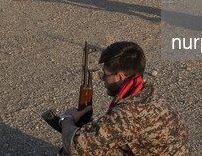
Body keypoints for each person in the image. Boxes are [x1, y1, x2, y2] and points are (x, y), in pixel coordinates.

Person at [59, 41, 188, 155]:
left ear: (120, 77)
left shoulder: (128, 112)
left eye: (105, 75)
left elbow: (75, 146)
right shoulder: (147, 95)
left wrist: (68, 118)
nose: (103, 79)